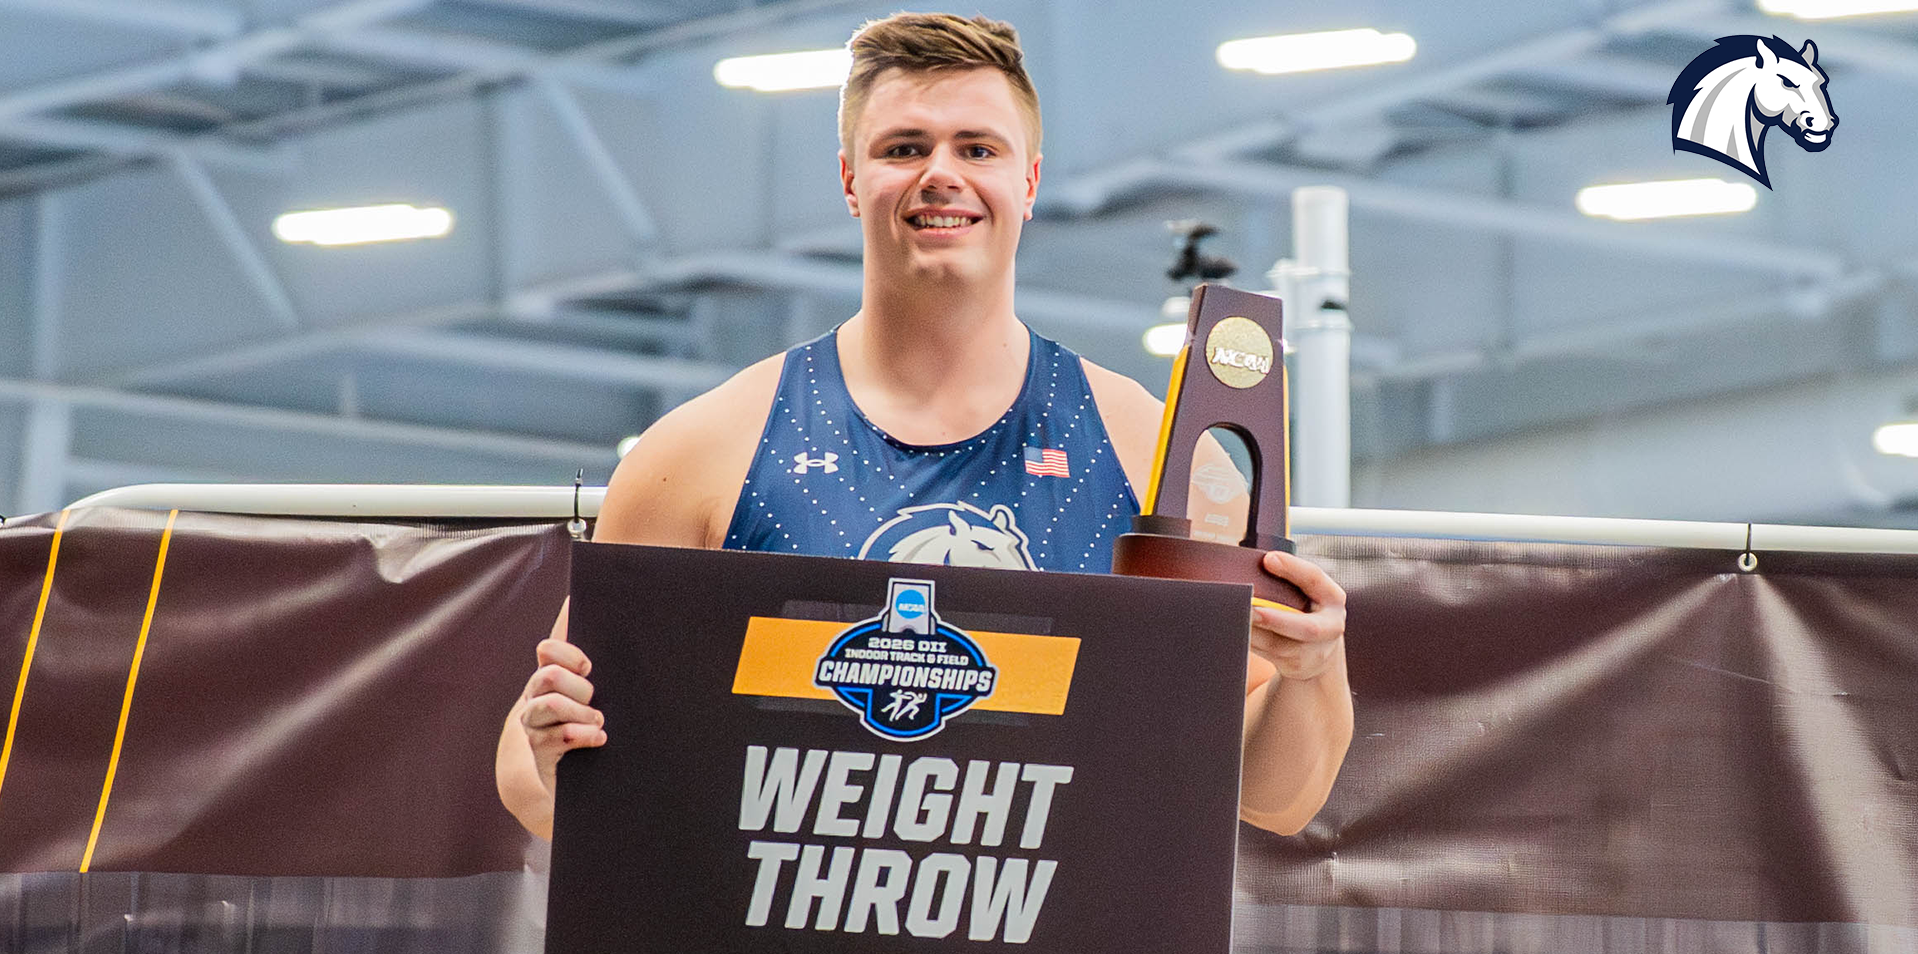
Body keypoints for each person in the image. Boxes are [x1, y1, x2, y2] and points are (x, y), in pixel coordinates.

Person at [496, 12, 1352, 846]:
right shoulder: (704, 452)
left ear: (1028, 181)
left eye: (977, 148)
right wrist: (547, 750)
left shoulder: (1152, 453)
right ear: (848, 179)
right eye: (904, 148)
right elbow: (539, 783)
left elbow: (1275, 797)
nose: (940, 174)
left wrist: (1313, 676)